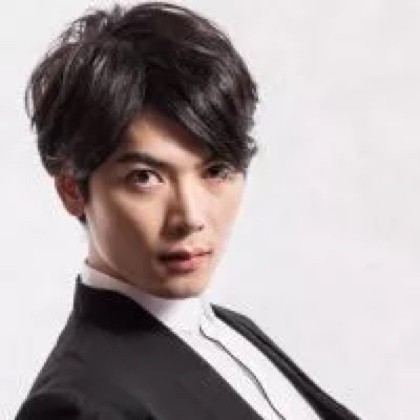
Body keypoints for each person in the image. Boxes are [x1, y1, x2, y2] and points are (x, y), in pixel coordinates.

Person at [16, 3, 359, 419]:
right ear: (71, 189)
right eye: (145, 177)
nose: (191, 217)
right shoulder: (77, 405)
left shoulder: (229, 329)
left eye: (216, 171)